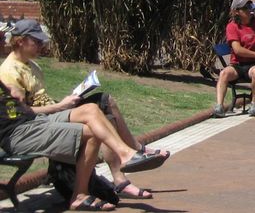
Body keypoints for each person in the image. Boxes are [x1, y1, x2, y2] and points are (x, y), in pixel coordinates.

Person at [0, 19, 168, 202]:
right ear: (20, 41)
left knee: (100, 104)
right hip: (35, 122)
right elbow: (22, 112)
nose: (41, 45)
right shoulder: (9, 71)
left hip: (46, 116)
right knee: (97, 115)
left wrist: (68, 100)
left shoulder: (32, 66)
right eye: (37, 41)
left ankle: (127, 157)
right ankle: (128, 160)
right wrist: (60, 106)